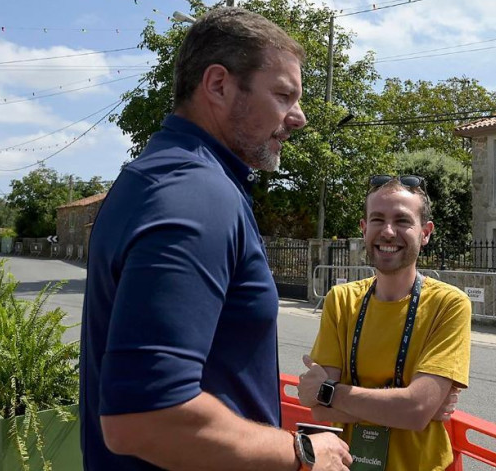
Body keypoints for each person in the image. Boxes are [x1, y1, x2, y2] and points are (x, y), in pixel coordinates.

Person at [79, 7, 351, 470]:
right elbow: (143, 416)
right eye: (284, 95)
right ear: (219, 85)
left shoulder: (162, 175)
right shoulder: (195, 194)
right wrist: (302, 453)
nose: (299, 117)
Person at [298, 175, 472, 471]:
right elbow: (317, 410)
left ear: (425, 233)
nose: (388, 232)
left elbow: (416, 410)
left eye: (402, 220)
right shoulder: (340, 301)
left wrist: (332, 391)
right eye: (377, 220)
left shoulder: (449, 304)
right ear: (364, 229)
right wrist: (402, 405)